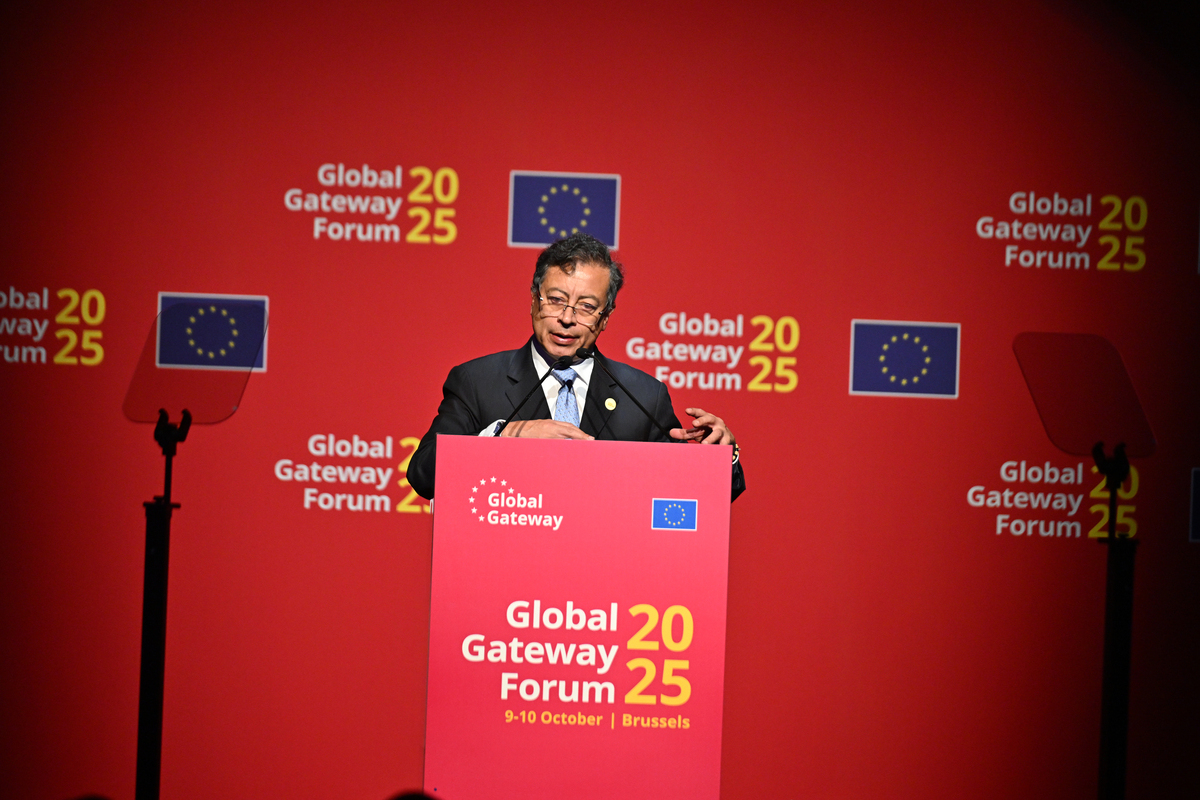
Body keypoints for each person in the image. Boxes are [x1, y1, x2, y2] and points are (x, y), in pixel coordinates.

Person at [407, 234, 744, 500]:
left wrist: (720, 456)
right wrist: (503, 435)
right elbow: (423, 474)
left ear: (605, 318)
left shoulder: (643, 396)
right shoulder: (477, 382)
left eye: (586, 307)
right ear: (534, 300)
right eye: (555, 300)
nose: (567, 318)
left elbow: (696, 494)